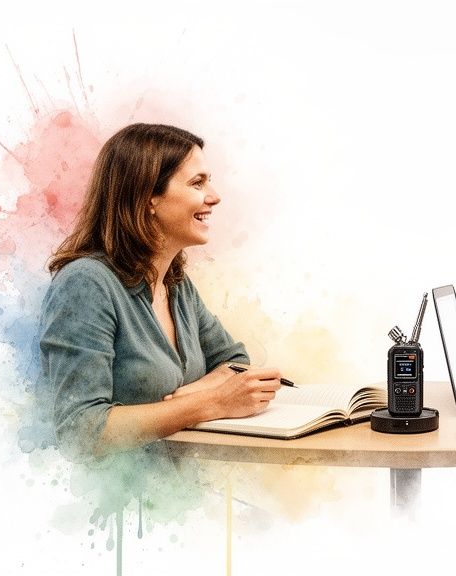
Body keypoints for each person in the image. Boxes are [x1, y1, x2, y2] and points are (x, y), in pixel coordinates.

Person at [39, 123, 282, 461]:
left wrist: (189, 396)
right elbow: (81, 432)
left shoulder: (176, 284)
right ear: (147, 197)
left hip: (180, 495)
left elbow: (234, 362)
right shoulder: (85, 284)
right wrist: (211, 402)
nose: (214, 196)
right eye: (197, 183)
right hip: (118, 505)